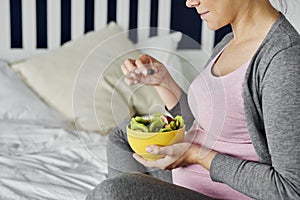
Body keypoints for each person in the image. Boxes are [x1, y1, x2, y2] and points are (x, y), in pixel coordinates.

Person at [86, 0, 300, 199]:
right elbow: (205, 128)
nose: (190, 2)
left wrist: (197, 156)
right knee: (123, 135)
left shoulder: (283, 59)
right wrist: (163, 82)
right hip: (187, 183)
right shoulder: (228, 43)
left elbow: (290, 189)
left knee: (112, 192)